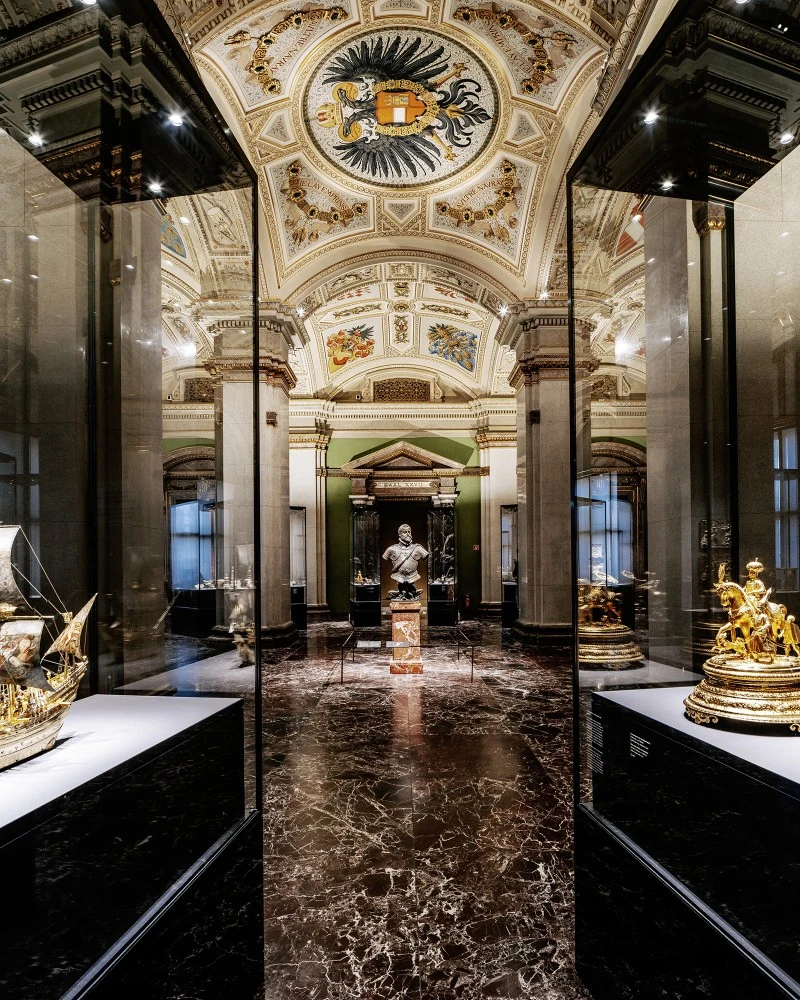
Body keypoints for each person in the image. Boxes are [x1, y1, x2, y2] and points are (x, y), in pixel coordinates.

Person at [382, 524, 428, 600]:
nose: (408, 534)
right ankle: (402, 594)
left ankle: (411, 593)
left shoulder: (418, 548)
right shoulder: (391, 549)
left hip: (413, 576)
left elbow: (425, 556)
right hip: (398, 576)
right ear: (399, 534)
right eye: (404, 532)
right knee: (401, 590)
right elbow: (385, 557)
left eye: (409, 532)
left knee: (411, 590)